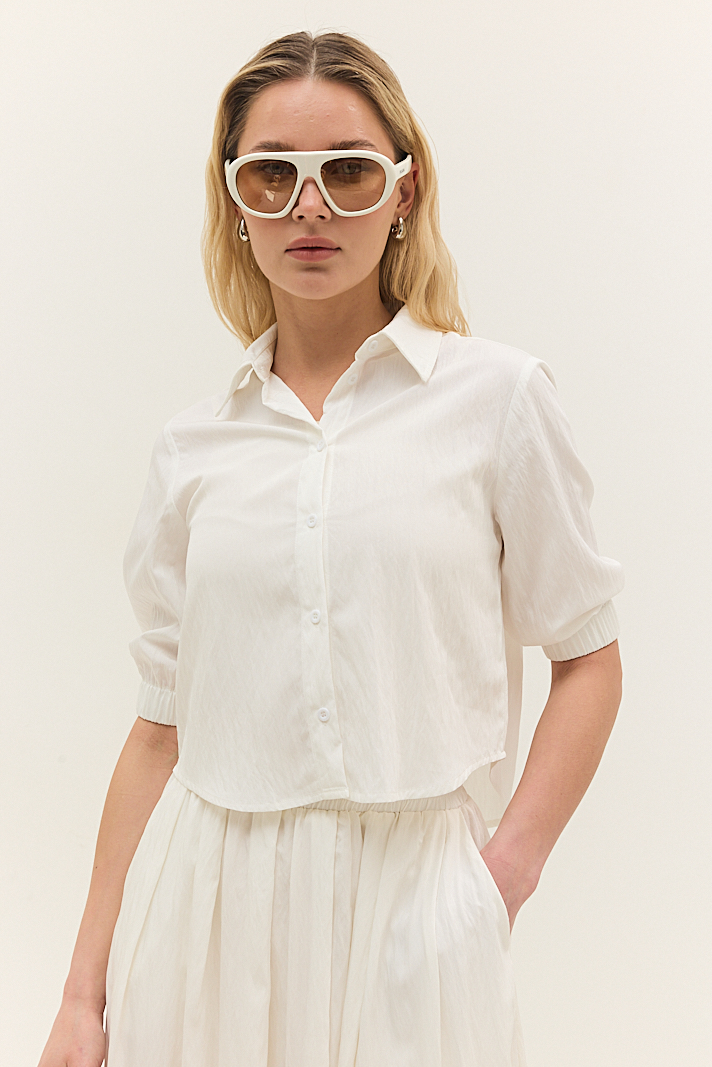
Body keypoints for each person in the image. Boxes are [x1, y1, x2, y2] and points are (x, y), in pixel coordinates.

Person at [38, 29, 624, 1067]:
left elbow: (587, 656)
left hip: (420, 916)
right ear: (235, 200)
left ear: (402, 190)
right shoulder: (193, 447)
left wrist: (498, 880)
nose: (309, 205)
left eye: (347, 170)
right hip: (203, 918)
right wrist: (81, 997)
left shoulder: (497, 399)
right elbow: (158, 730)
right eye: (272, 174)